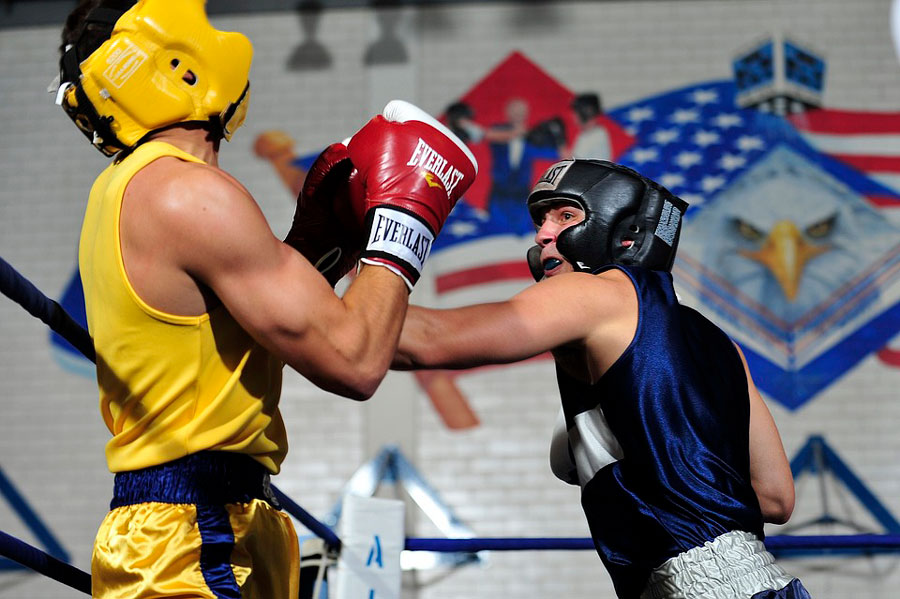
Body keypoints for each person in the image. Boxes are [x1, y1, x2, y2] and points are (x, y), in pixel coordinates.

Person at [55, 1, 477, 597]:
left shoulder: (136, 188)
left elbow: (230, 334)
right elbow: (355, 361)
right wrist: (405, 219)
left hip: (206, 521)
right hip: (195, 533)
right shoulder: (187, 194)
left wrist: (315, 252)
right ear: (179, 63)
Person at [394, 159, 810, 599]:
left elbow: (427, 340)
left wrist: (384, 245)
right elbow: (775, 498)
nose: (542, 235)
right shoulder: (719, 342)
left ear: (622, 231)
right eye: (541, 219)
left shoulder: (597, 294)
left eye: (565, 215)